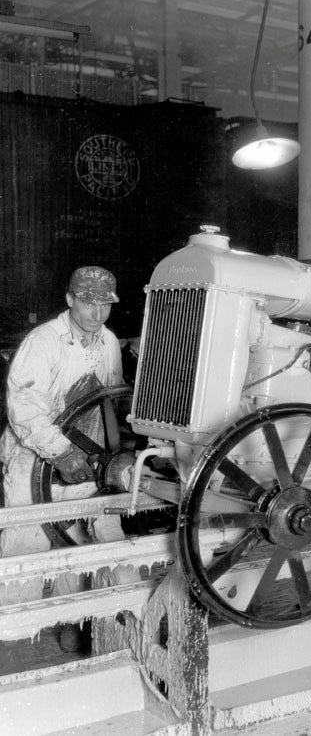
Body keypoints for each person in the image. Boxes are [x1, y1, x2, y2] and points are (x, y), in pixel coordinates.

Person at [0, 267, 136, 650]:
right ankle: (12, 636)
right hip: (33, 461)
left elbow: (108, 402)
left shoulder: (108, 342)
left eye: (105, 305)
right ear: (70, 298)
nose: (98, 314)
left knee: (74, 547)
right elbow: (24, 408)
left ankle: (68, 622)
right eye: (89, 303)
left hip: (87, 461)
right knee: (27, 548)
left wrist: (114, 456)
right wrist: (60, 452)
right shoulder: (43, 341)